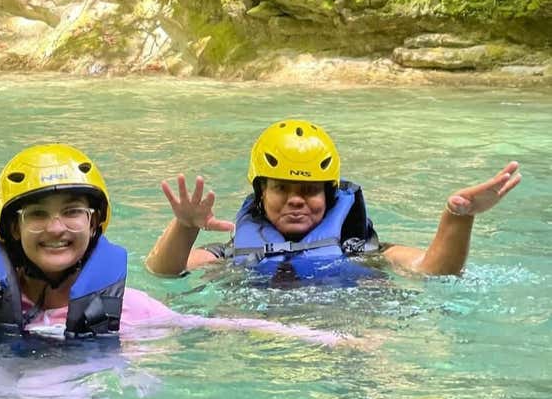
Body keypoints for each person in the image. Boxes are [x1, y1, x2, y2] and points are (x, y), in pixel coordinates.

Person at [0, 143, 354, 347]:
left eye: (73, 212)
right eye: (37, 215)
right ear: (10, 230)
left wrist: (334, 339)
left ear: (94, 224)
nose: (56, 228)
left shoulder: (131, 308)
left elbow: (219, 322)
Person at [145, 119, 521, 279]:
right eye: (281, 189)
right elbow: (165, 270)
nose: (296, 200)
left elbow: (432, 270)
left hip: (344, 340)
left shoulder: (361, 249)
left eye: (309, 190)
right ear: (260, 193)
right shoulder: (232, 253)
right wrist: (184, 226)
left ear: (330, 195)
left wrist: (458, 217)